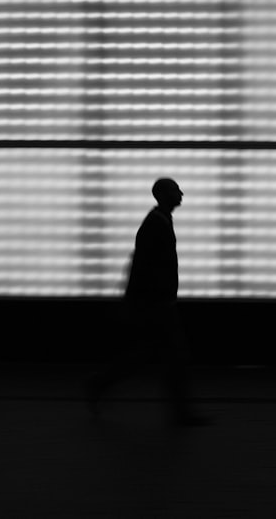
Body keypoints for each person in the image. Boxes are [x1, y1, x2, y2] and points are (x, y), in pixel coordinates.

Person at [87, 178, 210, 426]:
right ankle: (180, 414)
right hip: (157, 305)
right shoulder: (156, 224)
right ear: (164, 195)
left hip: (154, 303)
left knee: (149, 355)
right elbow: (145, 267)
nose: (181, 193)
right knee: (174, 356)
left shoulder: (158, 221)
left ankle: (99, 385)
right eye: (176, 189)